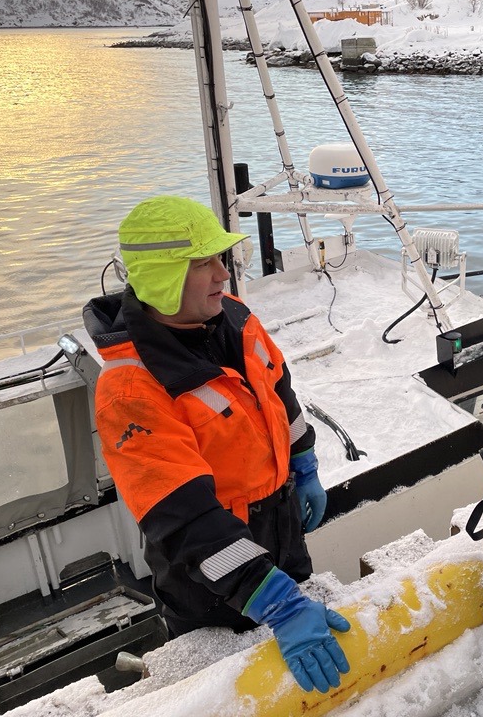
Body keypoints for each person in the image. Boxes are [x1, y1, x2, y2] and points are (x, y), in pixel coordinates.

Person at [82, 195, 350, 694]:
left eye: (220, 258)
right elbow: (184, 521)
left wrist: (304, 462)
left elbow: (278, 390)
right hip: (206, 581)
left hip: (282, 532)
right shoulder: (130, 390)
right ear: (162, 277)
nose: (223, 274)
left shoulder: (237, 317)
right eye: (202, 263)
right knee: (227, 689)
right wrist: (281, 605)